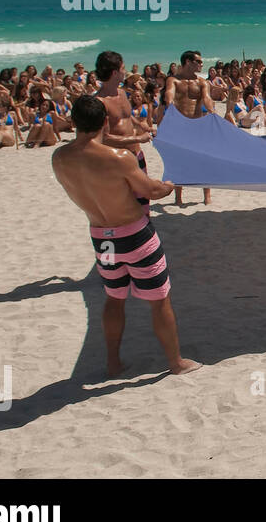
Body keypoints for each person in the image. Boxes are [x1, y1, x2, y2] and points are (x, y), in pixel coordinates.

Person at [51, 95, 200, 377]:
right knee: (159, 299)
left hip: (101, 238)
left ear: (73, 122)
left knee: (114, 297)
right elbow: (151, 191)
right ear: (105, 122)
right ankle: (176, 363)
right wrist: (168, 185)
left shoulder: (59, 158)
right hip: (134, 235)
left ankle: (113, 362)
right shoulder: (118, 158)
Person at [92, 51, 155, 215]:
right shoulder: (99, 102)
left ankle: (144, 228)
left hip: (136, 154)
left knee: (143, 196)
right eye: (123, 68)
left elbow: (127, 117)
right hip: (117, 159)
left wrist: (143, 126)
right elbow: (104, 137)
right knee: (123, 203)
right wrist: (139, 137)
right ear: (114, 73)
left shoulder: (122, 93)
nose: (125, 72)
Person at [162, 50, 215, 206]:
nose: (201, 64)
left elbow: (206, 98)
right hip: (180, 126)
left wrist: (211, 112)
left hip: (197, 125)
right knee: (180, 162)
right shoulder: (173, 80)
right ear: (187, 62)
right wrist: (169, 105)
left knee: (204, 160)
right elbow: (169, 95)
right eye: (198, 61)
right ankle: (178, 197)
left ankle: (207, 195)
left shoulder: (202, 82)